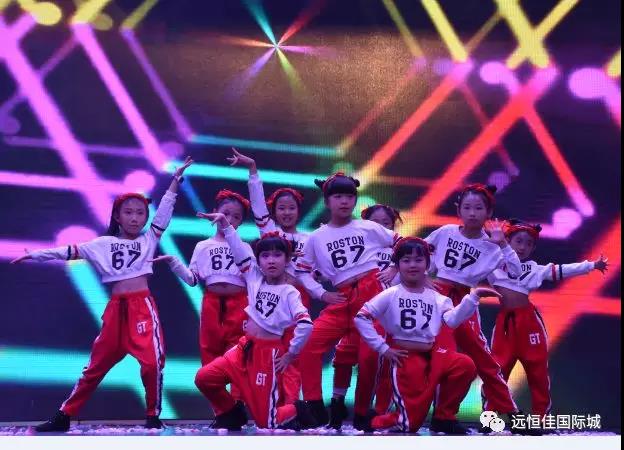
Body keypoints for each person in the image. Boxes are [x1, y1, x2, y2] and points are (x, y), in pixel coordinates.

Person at [11, 157, 194, 432]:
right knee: (94, 368)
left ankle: (152, 415)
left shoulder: (148, 240)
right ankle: (63, 416)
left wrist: (174, 183)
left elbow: (164, 214)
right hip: (116, 310)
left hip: (142, 307)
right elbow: (67, 251)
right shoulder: (102, 244)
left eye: (140, 213)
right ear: (117, 217)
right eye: (128, 212)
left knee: (152, 362)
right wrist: (35, 255)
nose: (135, 218)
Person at [355, 237, 500, 433]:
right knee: (410, 425)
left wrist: (473, 297)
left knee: (464, 364)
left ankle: (444, 416)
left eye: (418, 260)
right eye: (406, 260)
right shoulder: (391, 294)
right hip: (406, 357)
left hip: (433, 353)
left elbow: (452, 321)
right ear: (397, 265)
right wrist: (383, 348)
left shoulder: (438, 298)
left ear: (427, 264)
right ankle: (375, 421)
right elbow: (361, 317)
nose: (412, 265)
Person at [294, 172, 399, 428]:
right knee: (308, 343)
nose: (344, 201)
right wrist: (321, 293)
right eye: (338, 196)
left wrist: (394, 266)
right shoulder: (316, 237)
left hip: (371, 293)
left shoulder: (368, 227)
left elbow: (403, 242)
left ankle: (362, 413)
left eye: (349, 196)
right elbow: (301, 270)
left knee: (369, 357)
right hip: (341, 297)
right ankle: (314, 405)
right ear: (327, 201)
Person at [193, 212, 315, 430]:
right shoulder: (254, 278)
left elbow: (306, 324)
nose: (271, 260)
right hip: (243, 348)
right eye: (265, 256)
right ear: (258, 261)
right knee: (204, 378)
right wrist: (225, 224)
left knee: (266, 422)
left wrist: (291, 353)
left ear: (287, 260)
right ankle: (231, 413)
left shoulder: (290, 292)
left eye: (277, 255)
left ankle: (299, 409)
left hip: (267, 354)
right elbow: (238, 249)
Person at [486, 219, 608, 424]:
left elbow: (563, 269)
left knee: (537, 371)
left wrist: (592, 265)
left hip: (529, 323)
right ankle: (489, 417)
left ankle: (541, 418)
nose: (522, 247)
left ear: (533, 248)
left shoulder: (535, 269)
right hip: (505, 324)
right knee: (498, 369)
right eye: (518, 241)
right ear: (508, 241)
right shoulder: (493, 264)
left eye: (528, 243)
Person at [423, 183, 522, 434]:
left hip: (466, 299)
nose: (472, 213)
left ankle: (512, 414)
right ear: (458, 210)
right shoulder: (445, 232)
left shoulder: (493, 245)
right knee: (440, 357)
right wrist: (423, 278)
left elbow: (516, 272)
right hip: (437, 297)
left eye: (478, 208)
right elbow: (417, 251)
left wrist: (503, 244)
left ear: (489, 212)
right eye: (467, 207)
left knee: (484, 360)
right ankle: (437, 416)